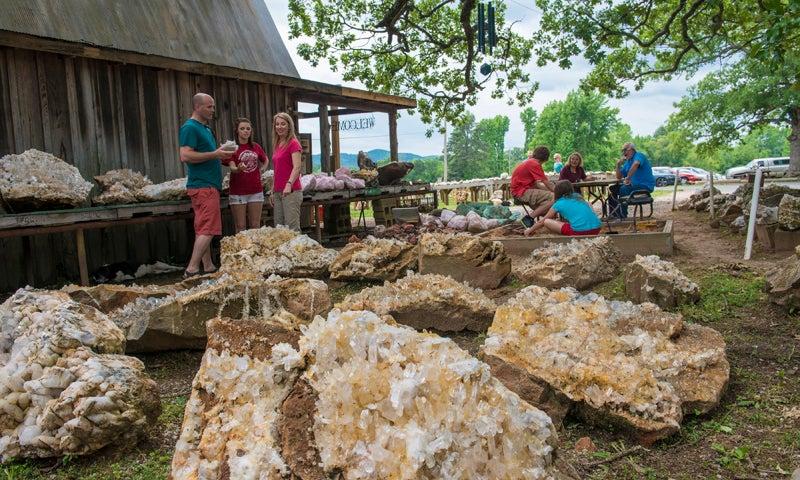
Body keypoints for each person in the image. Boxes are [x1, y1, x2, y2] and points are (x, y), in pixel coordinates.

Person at [179, 93, 233, 277]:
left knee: (203, 228)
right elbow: (185, 155)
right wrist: (215, 154)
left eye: (213, 106)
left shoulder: (206, 129)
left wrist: (222, 153)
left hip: (209, 185)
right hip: (203, 186)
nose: (213, 110)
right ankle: (192, 269)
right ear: (197, 107)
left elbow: (211, 154)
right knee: (209, 228)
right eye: (209, 107)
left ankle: (208, 266)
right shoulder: (190, 128)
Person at [224, 117, 268, 233]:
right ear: (237, 131)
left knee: (255, 225)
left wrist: (262, 169)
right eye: (242, 128)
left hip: (256, 190)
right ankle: (242, 251)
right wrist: (238, 169)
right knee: (241, 226)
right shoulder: (232, 148)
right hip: (238, 191)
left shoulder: (255, 146)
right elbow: (232, 167)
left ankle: (255, 250)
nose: (246, 131)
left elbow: (265, 160)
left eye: (248, 129)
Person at [524, 180, 601, 236]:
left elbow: (542, 221)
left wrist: (529, 230)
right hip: (597, 228)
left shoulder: (558, 203)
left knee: (546, 221)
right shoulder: (578, 197)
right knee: (588, 204)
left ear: (557, 192)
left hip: (579, 232)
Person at [271, 112, 303, 231]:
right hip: (278, 191)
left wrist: (289, 184)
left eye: (283, 124)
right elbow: (277, 170)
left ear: (289, 126)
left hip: (291, 190)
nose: (279, 127)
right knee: (279, 228)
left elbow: (297, 167)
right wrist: (273, 190)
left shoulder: (293, 143)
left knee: (292, 229)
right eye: (277, 124)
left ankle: (297, 249)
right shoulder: (277, 144)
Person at [607, 142, 655, 219]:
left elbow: (636, 164)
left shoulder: (639, 155)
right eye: (622, 151)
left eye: (624, 150)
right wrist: (618, 165)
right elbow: (619, 177)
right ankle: (614, 214)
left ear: (631, 149)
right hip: (634, 186)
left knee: (623, 188)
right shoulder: (628, 162)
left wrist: (628, 177)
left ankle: (623, 215)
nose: (623, 153)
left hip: (645, 186)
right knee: (612, 189)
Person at [510, 146, 554, 219]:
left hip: (520, 191)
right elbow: (547, 183)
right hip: (521, 192)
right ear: (546, 158)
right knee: (554, 196)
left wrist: (550, 189)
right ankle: (529, 218)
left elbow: (537, 185)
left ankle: (544, 222)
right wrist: (559, 191)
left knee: (549, 208)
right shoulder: (534, 163)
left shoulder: (530, 162)